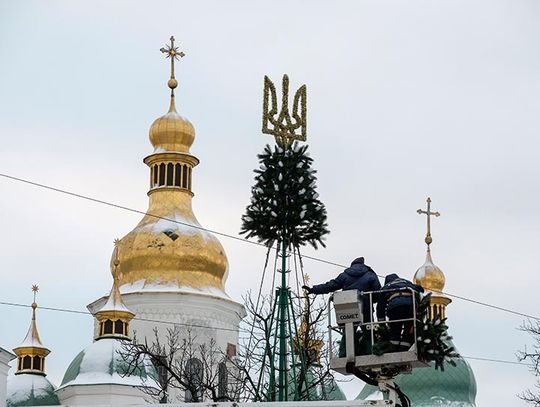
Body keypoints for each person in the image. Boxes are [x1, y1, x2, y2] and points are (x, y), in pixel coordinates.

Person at [303, 257, 381, 356]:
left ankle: (344, 354)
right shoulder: (370, 275)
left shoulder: (345, 275)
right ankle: (371, 351)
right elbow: (378, 292)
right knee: (368, 329)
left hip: (347, 305)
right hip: (365, 305)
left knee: (348, 330)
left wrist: (314, 290)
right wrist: (372, 300)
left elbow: (330, 285)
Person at [376, 273, 424, 352]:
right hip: (410, 307)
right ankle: (404, 349)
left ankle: (393, 349)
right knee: (408, 329)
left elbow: (380, 308)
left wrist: (382, 324)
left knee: (395, 329)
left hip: (395, 308)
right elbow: (420, 289)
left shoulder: (386, 287)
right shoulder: (407, 283)